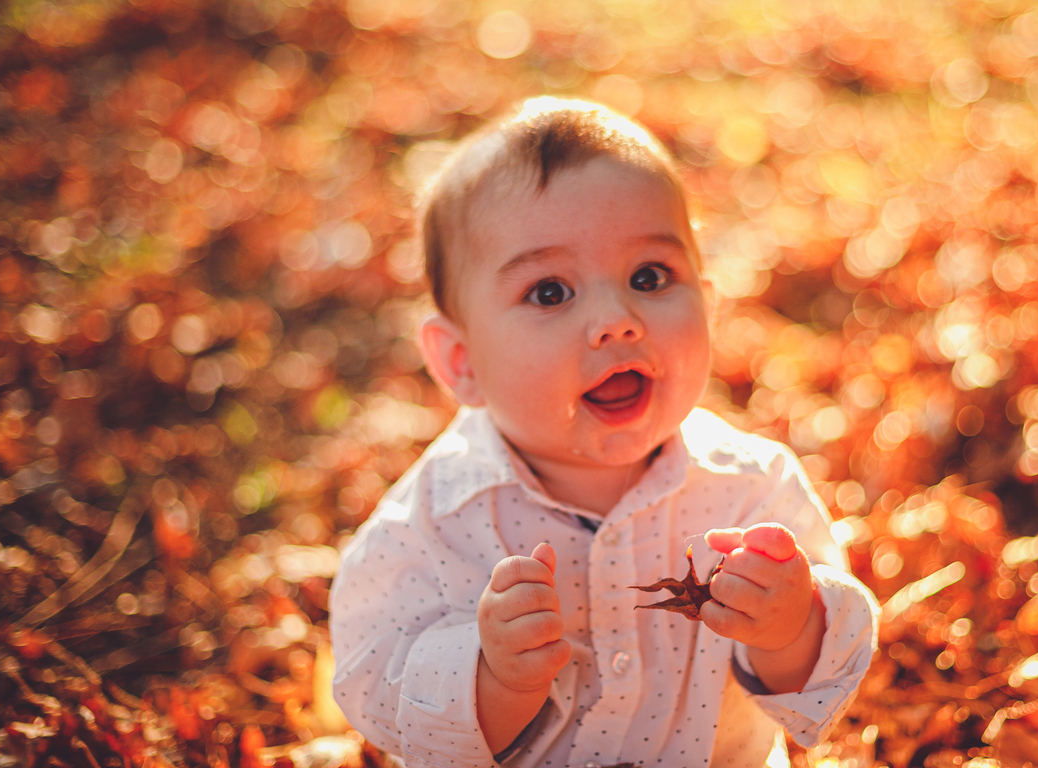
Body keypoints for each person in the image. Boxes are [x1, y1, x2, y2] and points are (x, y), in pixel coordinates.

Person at [329, 97, 878, 768]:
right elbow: (373, 677)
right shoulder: (432, 523)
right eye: (551, 292)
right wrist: (492, 679)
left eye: (649, 277)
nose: (616, 319)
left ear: (705, 299)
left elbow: (824, 675)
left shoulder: (750, 492)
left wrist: (792, 628)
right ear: (461, 362)